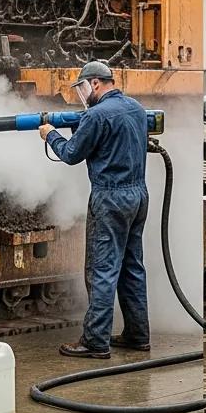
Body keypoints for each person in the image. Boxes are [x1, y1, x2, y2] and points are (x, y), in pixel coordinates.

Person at [39, 60, 150, 359]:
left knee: (102, 270)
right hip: (138, 195)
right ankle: (138, 334)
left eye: (83, 88)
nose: (82, 94)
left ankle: (95, 342)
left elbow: (71, 154)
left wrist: (50, 134)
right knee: (131, 267)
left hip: (110, 198)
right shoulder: (137, 109)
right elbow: (112, 137)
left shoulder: (97, 116)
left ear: (96, 84)